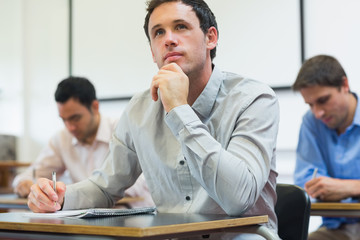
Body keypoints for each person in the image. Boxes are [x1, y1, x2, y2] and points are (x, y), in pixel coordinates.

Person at [27, 1, 280, 238]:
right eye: (158, 33)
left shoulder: (254, 99)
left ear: (210, 37)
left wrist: (179, 110)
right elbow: (105, 187)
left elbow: (238, 198)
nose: (169, 39)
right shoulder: (139, 108)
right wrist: (58, 197)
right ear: (152, 52)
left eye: (180, 27)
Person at [14, 76, 154, 208]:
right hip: (84, 217)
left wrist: (68, 194)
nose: (70, 127)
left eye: (75, 118)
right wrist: (25, 184)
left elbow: (135, 185)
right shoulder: (62, 139)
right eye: (64, 120)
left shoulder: (123, 130)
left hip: (132, 215)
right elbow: (31, 175)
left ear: (95, 107)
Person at [293, 55, 360, 240]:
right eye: (310, 105)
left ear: (344, 85)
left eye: (323, 100)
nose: (318, 113)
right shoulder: (311, 122)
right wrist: (321, 189)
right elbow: (305, 183)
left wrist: (350, 188)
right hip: (336, 230)